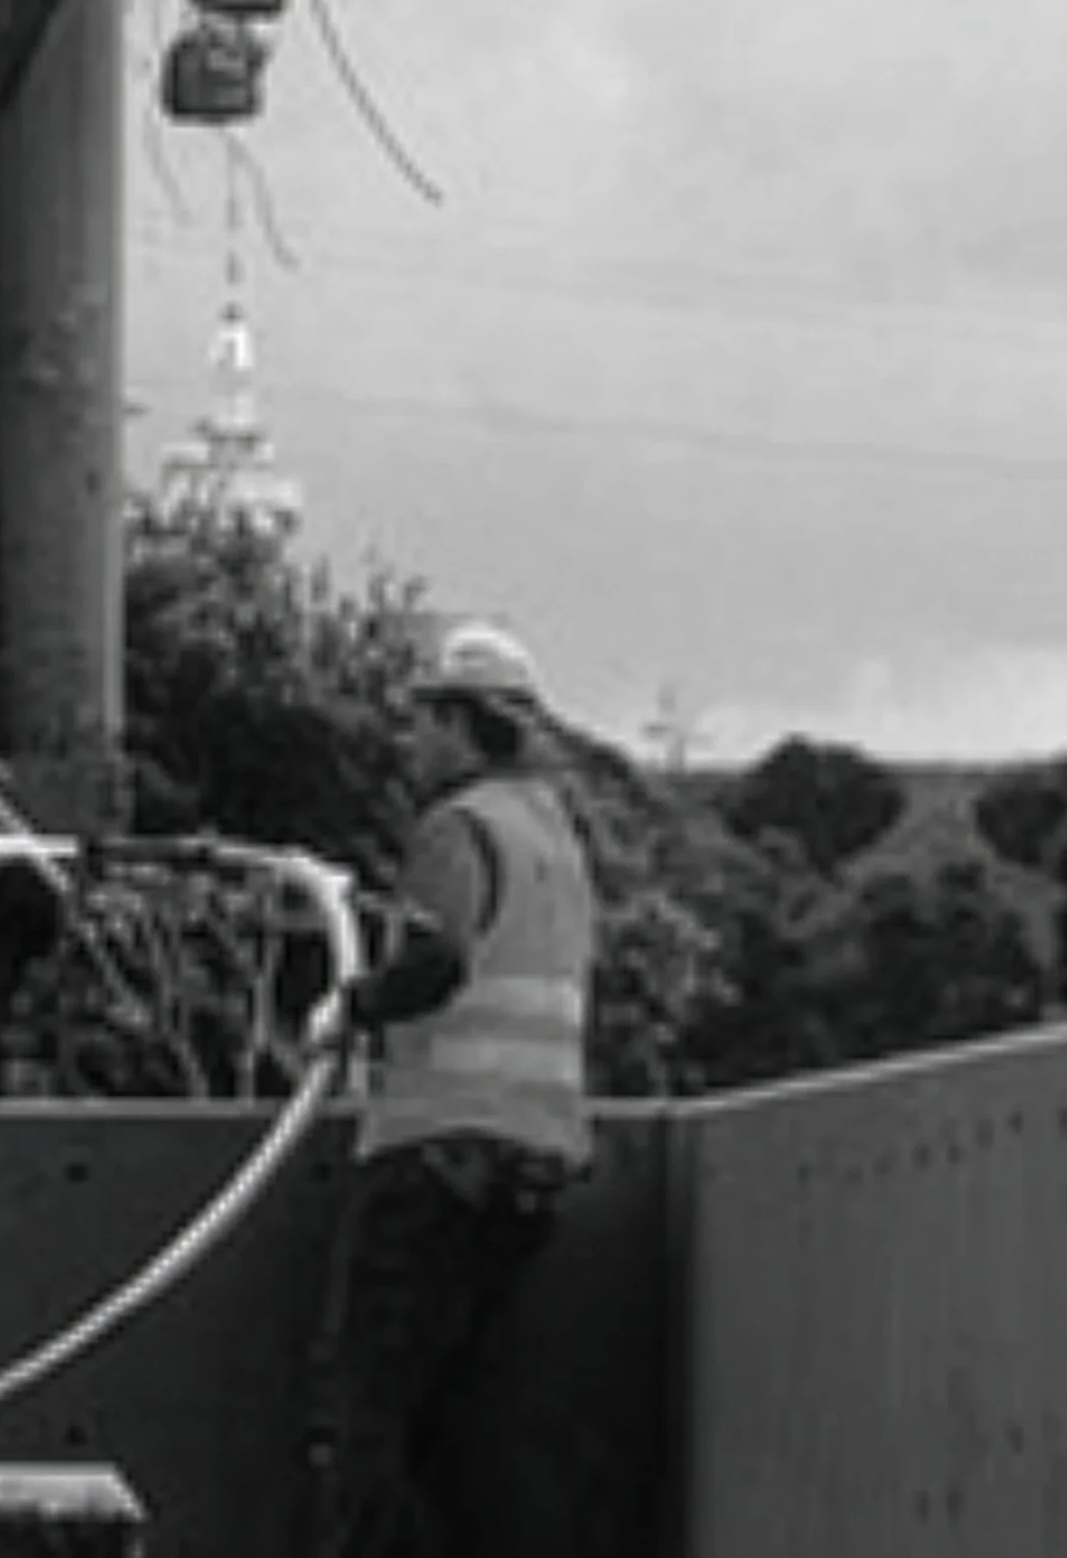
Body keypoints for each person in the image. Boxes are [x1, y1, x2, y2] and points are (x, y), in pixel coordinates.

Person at [308, 617, 597, 1558]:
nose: (413, 739)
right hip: (531, 1168)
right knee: (456, 1436)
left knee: (364, 1429)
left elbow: (437, 958)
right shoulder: (555, 838)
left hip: (435, 1158)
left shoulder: (457, 826)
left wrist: (348, 1008)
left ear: (464, 721)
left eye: (426, 717)